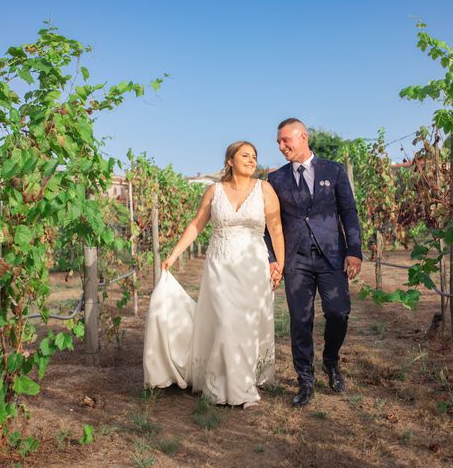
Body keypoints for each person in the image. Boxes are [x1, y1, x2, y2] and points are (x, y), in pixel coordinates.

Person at [143, 141, 285, 410]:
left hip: (254, 266)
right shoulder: (214, 191)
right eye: (245, 155)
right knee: (226, 322)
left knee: (247, 324)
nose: (252, 160)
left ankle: (241, 382)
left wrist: (280, 263)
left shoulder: (265, 189)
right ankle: (227, 387)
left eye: (254, 156)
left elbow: (276, 229)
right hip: (220, 265)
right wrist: (172, 256)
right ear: (230, 160)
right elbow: (196, 224)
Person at [265, 118, 362, 407]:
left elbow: (348, 211)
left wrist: (354, 250)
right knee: (300, 320)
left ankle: (330, 361)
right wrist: (272, 258)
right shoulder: (276, 179)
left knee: (338, 312)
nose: (282, 147)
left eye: (286, 141)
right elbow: (269, 223)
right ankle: (305, 380)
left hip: (331, 255)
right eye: (279, 143)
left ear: (303, 137)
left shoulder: (333, 171)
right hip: (295, 259)